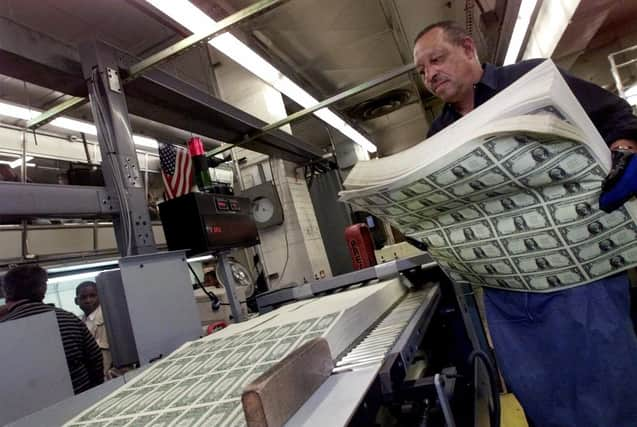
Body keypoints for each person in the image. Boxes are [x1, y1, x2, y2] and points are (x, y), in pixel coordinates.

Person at [413, 21, 637, 427]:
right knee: (543, 400)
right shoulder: (439, 134)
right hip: (509, 295)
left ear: (468, 48)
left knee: (611, 392)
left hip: (579, 274)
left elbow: (615, 114)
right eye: (422, 70)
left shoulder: (532, 80)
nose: (430, 74)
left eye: (436, 59)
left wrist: (623, 151)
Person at [0, 265, 103, 394]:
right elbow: (96, 360)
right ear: (43, 290)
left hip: (33, 411)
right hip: (82, 400)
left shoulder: (4, 329)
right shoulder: (69, 319)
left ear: (6, 292)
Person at [75, 281, 111, 378]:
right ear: (76, 301)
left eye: (92, 296)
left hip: (110, 376)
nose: (88, 300)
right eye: (83, 297)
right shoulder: (78, 323)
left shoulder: (109, 316)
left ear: (100, 296)